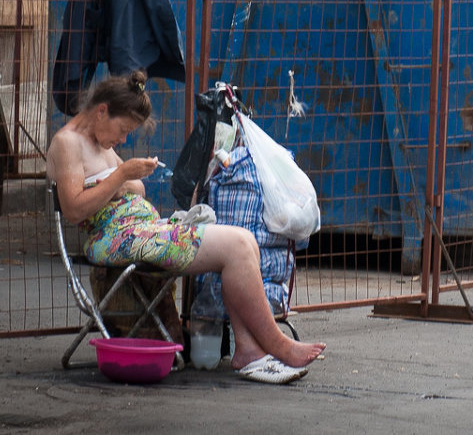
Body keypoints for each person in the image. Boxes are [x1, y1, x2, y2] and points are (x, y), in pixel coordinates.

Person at [46, 70, 325, 383]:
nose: (123, 139)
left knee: (245, 239)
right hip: (114, 238)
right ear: (102, 111)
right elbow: (73, 209)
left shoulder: (98, 140)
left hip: (139, 230)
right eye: (123, 130)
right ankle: (276, 344)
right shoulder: (67, 143)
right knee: (235, 246)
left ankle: (248, 349)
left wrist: (128, 179)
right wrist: (122, 174)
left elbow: (123, 188)